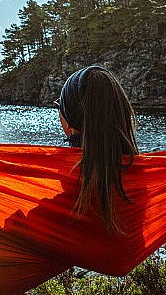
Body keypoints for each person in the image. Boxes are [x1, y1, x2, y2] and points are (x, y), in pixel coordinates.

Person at [57, 65, 138, 231]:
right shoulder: (141, 181)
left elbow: (12, 232)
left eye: (59, 107)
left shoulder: (68, 192)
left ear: (70, 122)